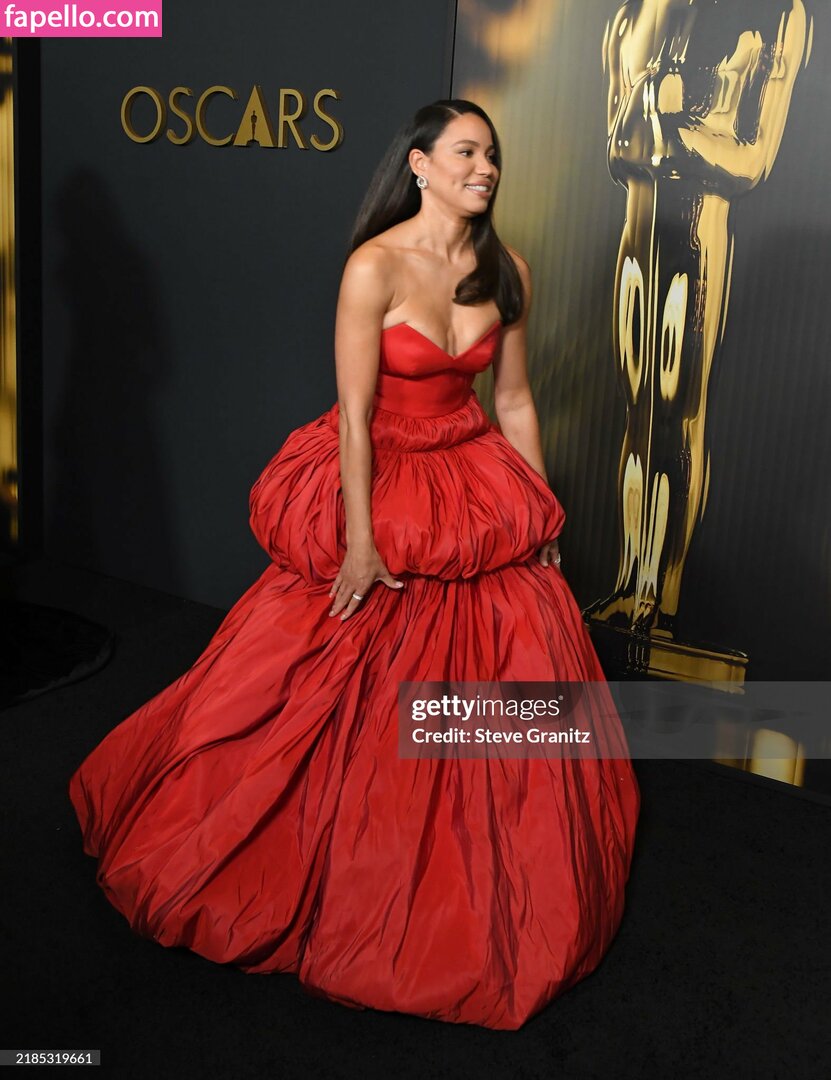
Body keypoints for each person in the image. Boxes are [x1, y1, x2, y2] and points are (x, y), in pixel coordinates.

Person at [69, 99, 640, 1031]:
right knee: (324, 677)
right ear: (419, 165)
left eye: (491, 154)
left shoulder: (507, 271)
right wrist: (362, 540)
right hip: (382, 471)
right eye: (466, 152)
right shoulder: (373, 266)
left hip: (471, 473)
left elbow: (515, 402)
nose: (484, 167)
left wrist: (538, 510)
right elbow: (354, 413)